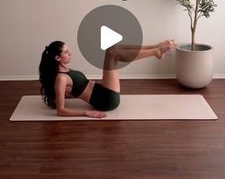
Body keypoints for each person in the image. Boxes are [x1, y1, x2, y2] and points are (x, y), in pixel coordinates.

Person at [39, 39, 176, 119]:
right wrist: (87, 113)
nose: (70, 54)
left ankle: (155, 47)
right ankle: (155, 51)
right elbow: (60, 110)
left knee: (112, 48)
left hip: (102, 92)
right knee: (113, 53)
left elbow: (69, 92)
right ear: (57, 58)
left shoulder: (63, 73)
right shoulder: (61, 79)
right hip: (106, 100)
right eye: (66, 53)